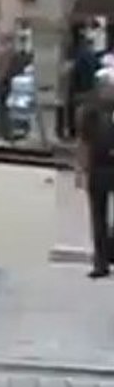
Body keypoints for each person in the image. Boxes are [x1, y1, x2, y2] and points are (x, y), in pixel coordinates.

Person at [76, 65, 114, 278]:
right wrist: (81, 170)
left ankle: (107, 253)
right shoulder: (90, 111)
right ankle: (101, 261)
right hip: (99, 167)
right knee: (98, 217)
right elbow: (84, 142)